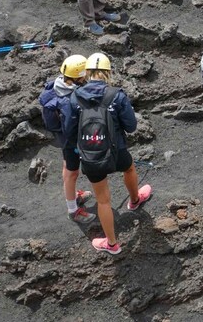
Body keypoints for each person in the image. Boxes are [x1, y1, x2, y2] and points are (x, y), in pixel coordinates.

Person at [63, 53, 152, 254]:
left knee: (103, 200)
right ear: (108, 72)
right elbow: (131, 126)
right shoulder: (116, 95)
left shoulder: (74, 97)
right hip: (117, 150)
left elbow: (69, 131)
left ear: (87, 72)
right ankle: (135, 200)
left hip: (91, 155)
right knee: (129, 168)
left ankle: (112, 244)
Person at [38, 54, 95, 223]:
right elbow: (72, 126)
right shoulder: (69, 99)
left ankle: (73, 194)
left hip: (61, 136)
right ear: (79, 76)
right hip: (71, 139)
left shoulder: (57, 84)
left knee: (67, 166)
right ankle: (73, 210)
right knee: (72, 172)